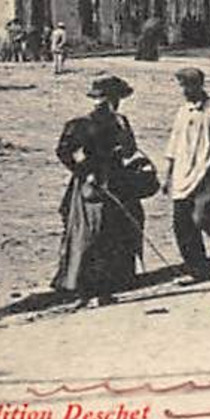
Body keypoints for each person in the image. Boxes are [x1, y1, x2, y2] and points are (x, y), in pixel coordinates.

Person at [52, 74, 145, 307]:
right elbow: (64, 151)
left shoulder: (120, 121)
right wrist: (84, 171)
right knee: (92, 236)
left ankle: (108, 287)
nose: (107, 103)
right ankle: (85, 290)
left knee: (117, 233)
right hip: (91, 186)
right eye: (104, 99)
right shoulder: (82, 124)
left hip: (116, 182)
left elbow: (128, 151)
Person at [161, 66, 210, 285]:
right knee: (181, 223)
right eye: (182, 86)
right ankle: (197, 269)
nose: (184, 90)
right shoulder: (183, 111)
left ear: (199, 85)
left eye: (188, 85)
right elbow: (174, 144)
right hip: (182, 174)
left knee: (203, 216)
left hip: (207, 173)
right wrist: (168, 175)